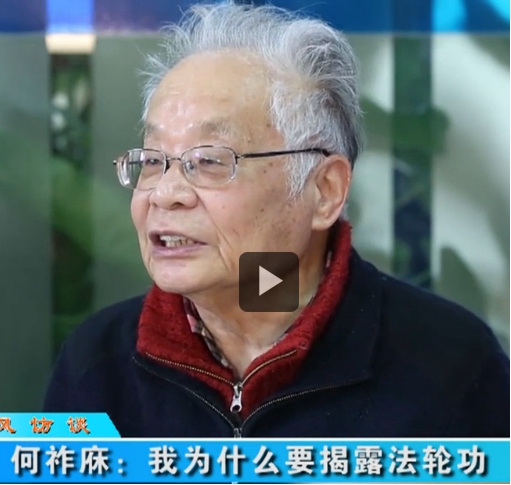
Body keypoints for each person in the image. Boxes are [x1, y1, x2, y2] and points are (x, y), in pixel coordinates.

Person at [44, 1, 509, 438]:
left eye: (208, 160)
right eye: (152, 160)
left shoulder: (450, 366)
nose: (165, 194)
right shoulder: (97, 362)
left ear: (324, 191)